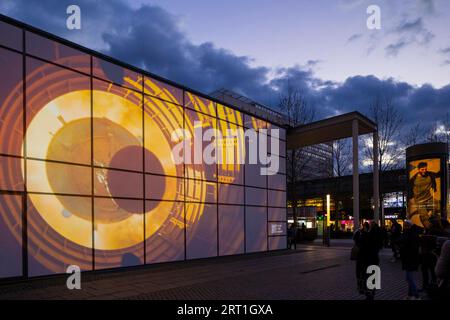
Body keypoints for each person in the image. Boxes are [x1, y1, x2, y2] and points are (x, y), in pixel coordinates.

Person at [408, 162, 440, 228]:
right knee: (424, 218)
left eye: (425, 169)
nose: (424, 171)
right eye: (422, 169)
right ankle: (429, 230)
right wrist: (411, 200)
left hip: (429, 198)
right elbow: (409, 189)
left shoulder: (430, 174)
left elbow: (438, 174)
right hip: (420, 201)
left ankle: (437, 225)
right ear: (419, 169)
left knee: (439, 207)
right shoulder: (414, 179)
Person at [354, 222, 381, 300]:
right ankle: (371, 294)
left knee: (366, 278)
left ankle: (368, 294)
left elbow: (359, 245)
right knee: (372, 279)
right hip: (373, 261)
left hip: (365, 261)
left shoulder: (364, 237)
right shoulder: (373, 237)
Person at [400, 220, 422, 300]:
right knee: (409, 277)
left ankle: (416, 295)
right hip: (412, 258)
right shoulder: (414, 233)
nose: (404, 227)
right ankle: (410, 295)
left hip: (410, 258)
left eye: (405, 226)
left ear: (408, 226)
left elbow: (407, 245)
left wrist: (402, 247)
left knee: (409, 278)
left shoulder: (410, 234)